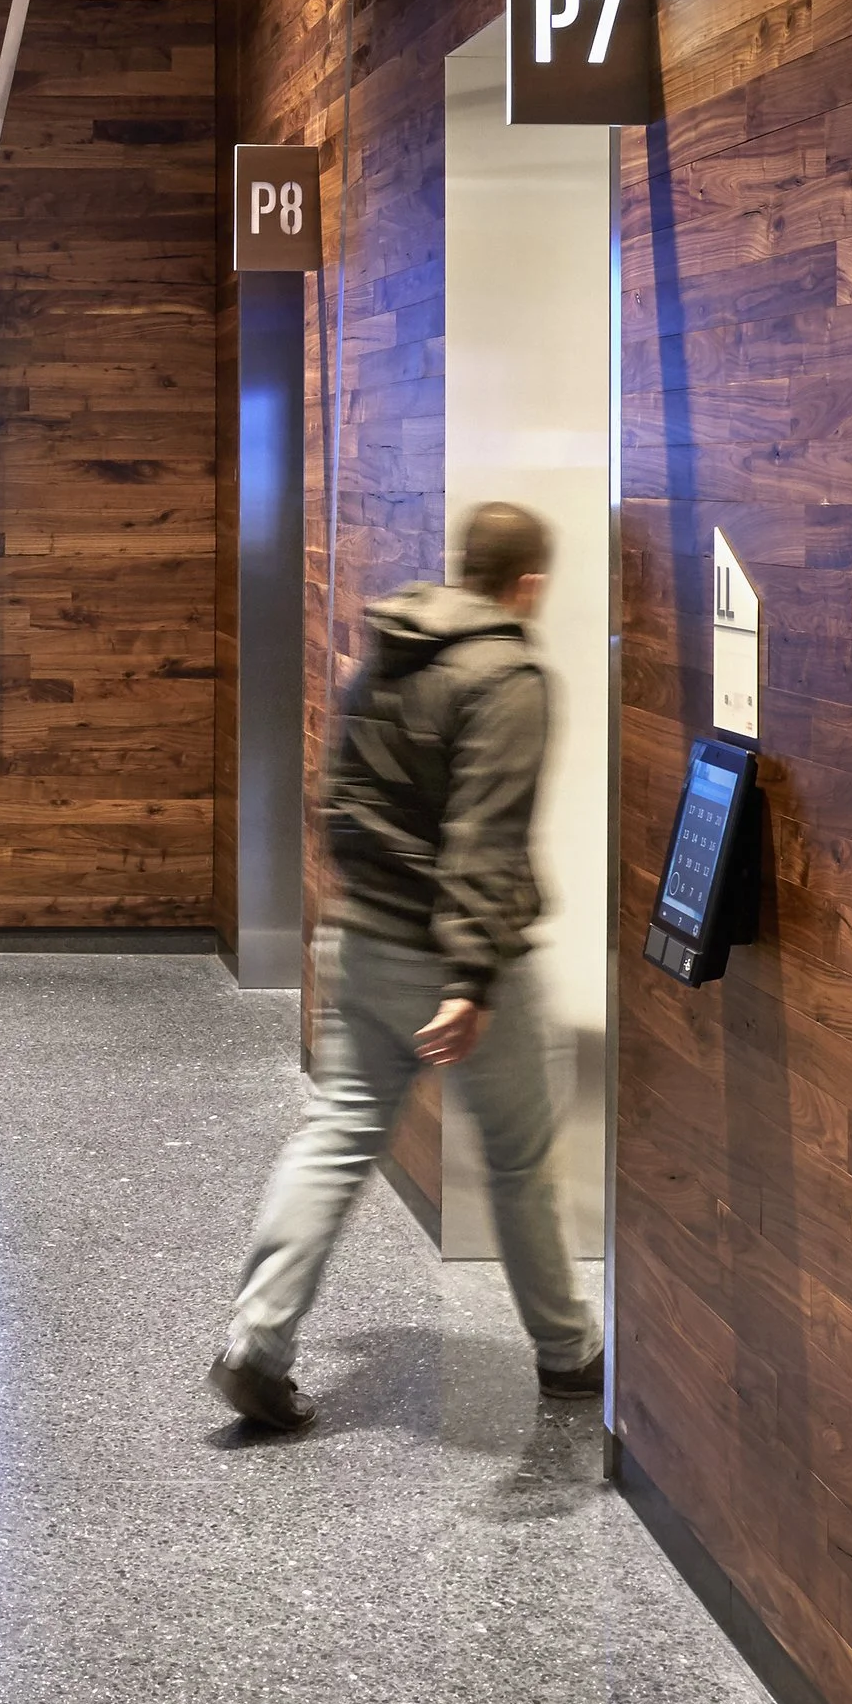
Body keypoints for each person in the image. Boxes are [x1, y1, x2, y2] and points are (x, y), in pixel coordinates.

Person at [209, 498, 604, 1431]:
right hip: (454, 958)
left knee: (337, 1131)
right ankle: (569, 1351)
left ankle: (254, 1343)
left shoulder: (391, 643)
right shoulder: (509, 676)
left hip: (363, 934)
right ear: (531, 585)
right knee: (521, 1157)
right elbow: (485, 840)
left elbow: (340, 791)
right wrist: (470, 980)